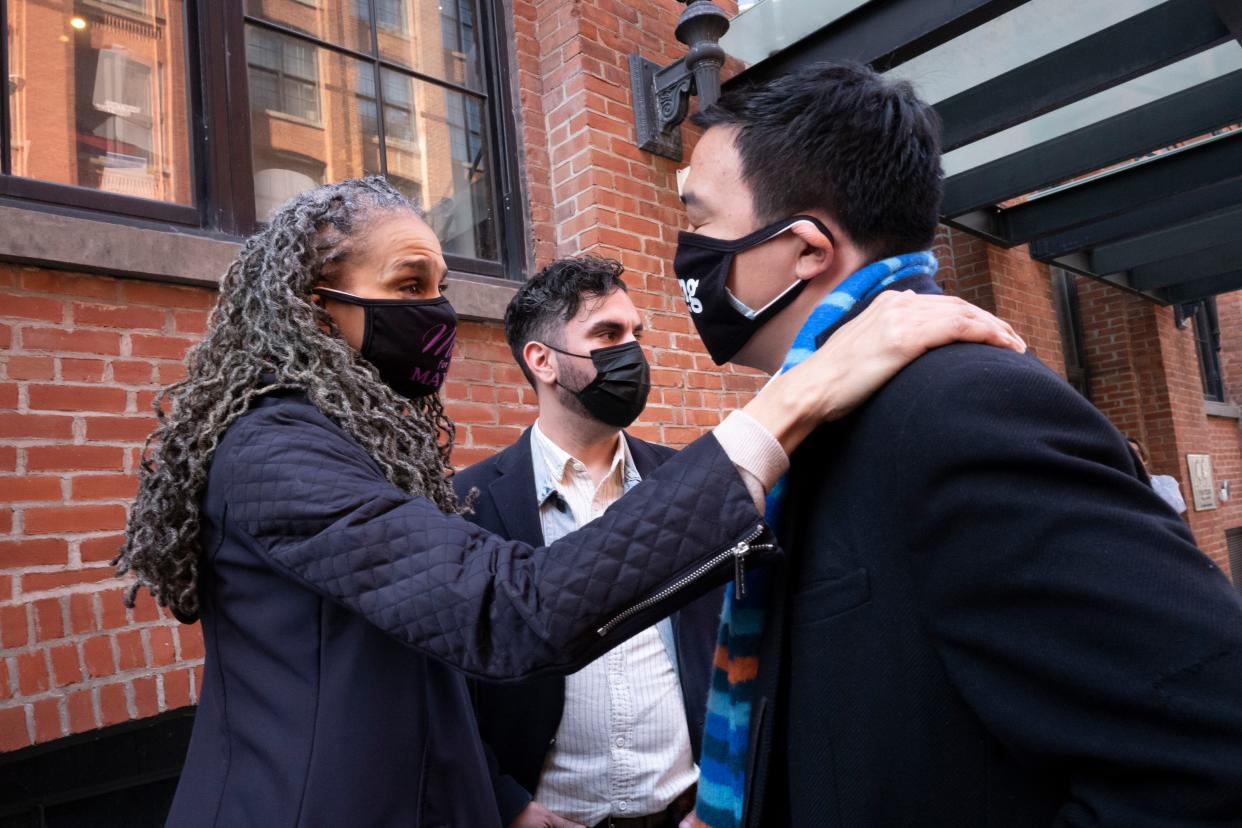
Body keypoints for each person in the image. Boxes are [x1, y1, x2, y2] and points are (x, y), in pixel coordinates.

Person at [111, 177, 1020, 827]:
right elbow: (508, 611)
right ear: (314, 310)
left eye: (440, 284)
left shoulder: (361, 447)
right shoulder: (273, 450)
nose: (436, 314)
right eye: (408, 288)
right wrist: (795, 399)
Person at [672, 61, 1242, 828]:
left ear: (805, 249)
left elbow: (1210, 757)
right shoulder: (832, 416)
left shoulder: (962, 411)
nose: (686, 251)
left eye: (699, 218)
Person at [457, 257, 722, 828]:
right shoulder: (468, 501)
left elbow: (728, 647)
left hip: (688, 812)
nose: (631, 351)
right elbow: (444, 686)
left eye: (635, 334)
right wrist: (507, 805)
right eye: (607, 334)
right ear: (542, 360)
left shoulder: (685, 482)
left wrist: (721, 795)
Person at [1127, 436, 1188, 515]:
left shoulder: (1165, 481)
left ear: (1144, 459)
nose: (1132, 457)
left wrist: (1148, 479)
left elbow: (1177, 508)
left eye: (1135, 453)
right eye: (1127, 453)